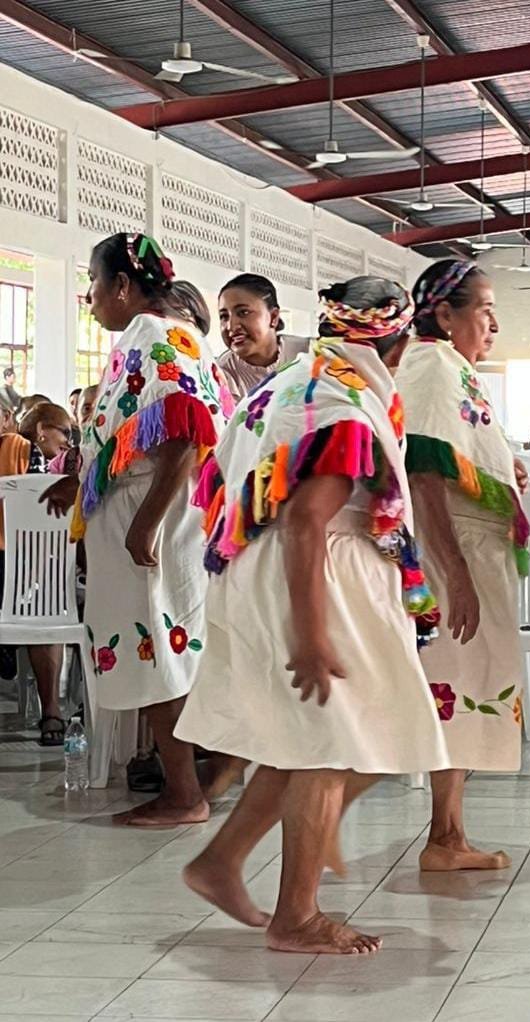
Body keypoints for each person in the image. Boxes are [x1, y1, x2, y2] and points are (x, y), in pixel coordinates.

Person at [175, 276, 449, 955]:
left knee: (318, 739)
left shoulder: (291, 383)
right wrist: (312, 631)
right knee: (337, 743)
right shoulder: (342, 402)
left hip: (266, 570)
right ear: (399, 343)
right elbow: (305, 521)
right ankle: (295, 915)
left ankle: (222, 861)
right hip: (315, 573)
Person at [40, 232, 232, 827]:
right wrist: (84, 480)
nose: (90, 297)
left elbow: (184, 429)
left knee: (160, 651)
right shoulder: (165, 338)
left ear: (122, 285)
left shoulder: (155, 336)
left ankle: (184, 794)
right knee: (168, 649)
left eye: (94, 284)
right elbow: (137, 430)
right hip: (154, 516)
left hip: (154, 524)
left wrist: (142, 526)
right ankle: (203, 780)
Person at [394, 259, 528, 872]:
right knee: (442, 688)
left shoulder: (452, 368)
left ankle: (448, 834)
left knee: (462, 687)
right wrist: (456, 575)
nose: (494, 324)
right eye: (484, 309)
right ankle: (441, 834)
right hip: (454, 556)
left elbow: (457, 462)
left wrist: (503, 474)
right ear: (445, 314)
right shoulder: (430, 366)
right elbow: (423, 472)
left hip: (473, 551)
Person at [0, 405, 65, 746]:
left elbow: (41, 514)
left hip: (21, 557)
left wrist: (34, 571)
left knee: (45, 606)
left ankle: (51, 711)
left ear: (6, 416)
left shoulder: (23, 450)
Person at [216, 273, 294, 402]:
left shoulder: (309, 354)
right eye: (224, 316)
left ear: (273, 317)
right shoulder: (222, 373)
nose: (231, 326)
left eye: (243, 312)